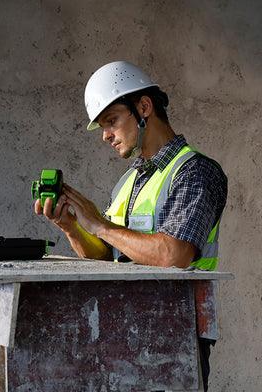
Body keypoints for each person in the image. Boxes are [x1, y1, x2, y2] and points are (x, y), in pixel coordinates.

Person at [34, 61, 227, 391]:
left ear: (144, 107)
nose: (106, 135)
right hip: (122, 335)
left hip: (174, 339)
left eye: (111, 120)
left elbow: (175, 254)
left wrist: (100, 225)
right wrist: (72, 228)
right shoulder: (129, 182)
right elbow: (106, 257)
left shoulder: (195, 173)